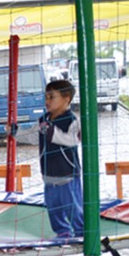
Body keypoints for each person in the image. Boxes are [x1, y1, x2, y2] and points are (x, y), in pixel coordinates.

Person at [39, 80, 84, 239]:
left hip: (68, 174)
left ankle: (81, 233)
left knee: (73, 207)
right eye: (46, 97)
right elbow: (33, 135)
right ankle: (62, 232)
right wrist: (16, 132)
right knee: (53, 207)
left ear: (66, 99)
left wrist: (52, 133)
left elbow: (72, 140)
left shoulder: (72, 120)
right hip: (49, 173)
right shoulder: (43, 119)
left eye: (52, 97)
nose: (47, 101)